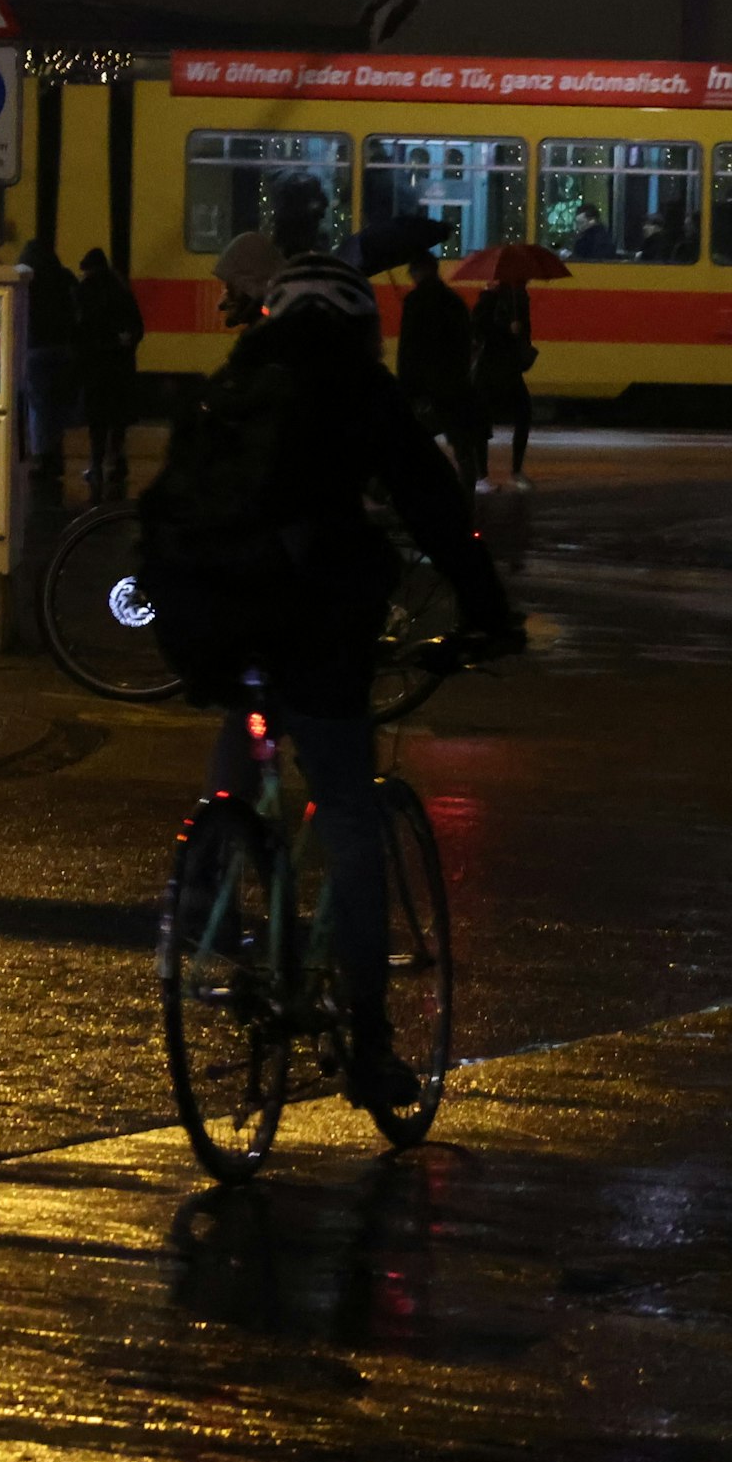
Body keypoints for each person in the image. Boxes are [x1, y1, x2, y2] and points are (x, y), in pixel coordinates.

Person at [139, 215, 519, 1115]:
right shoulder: (362, 389)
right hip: (317, 625)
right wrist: (489, 616)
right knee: (348, 812)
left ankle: (212, 862)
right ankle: (372, 1043)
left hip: (210, 614)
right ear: (359, 324)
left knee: (246, 708)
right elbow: (435, 512)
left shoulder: (230, 383)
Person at [392, 238, 476, 474]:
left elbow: (408, 348)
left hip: (424, 386)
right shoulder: (454, 301)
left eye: (412, 270)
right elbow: (464, 343)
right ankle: (467, 487)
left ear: (420, 271)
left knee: (414, 439)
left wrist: (406, 386)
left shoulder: (414, 301)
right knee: (460, 442)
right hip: (453, 384)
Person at [74, 247, 145, 495]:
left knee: (97, 421)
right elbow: (137, 327)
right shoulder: (121, 290)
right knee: (117, 420)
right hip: (120, 365)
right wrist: (125, 341)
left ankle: (96, 465)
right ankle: (117, 462)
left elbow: (79, 330)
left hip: (95, 366)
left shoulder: (84, 292)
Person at [19, 238, 80, 505]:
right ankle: (56, 456)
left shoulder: (28, 279)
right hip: (63, 349)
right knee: (55, 407)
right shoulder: (65, 277)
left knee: (39, 407)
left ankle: (43, 457)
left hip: (35, 349)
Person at [471, 272, 539, 491]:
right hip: (491, 370)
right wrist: (507, 331)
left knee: (515, 415)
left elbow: (523, 335)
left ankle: (488, 475)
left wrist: (517, 334)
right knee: (488, 421)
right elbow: (479, 329)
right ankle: (488, 475)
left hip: (505, 369)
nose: (528, 279)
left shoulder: (518, 298)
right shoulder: (493, 297)